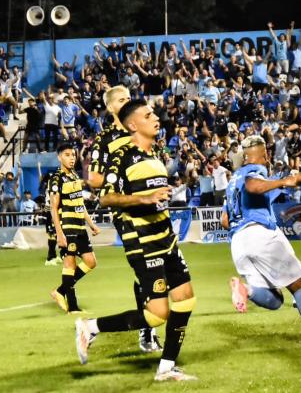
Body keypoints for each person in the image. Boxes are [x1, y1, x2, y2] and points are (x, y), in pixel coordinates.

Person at [75, 100, 197, 382]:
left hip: (165, 238)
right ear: (132, 125)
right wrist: (144, 198)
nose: (156, 118)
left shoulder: (155, 154)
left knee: (185, 298)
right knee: (157, 314)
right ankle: (90, 327)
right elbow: (106, 197)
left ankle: (166, 368)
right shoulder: (123, 157)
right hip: (143, 242)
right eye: (148, 115)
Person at [223, 135, 301, 348]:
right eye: (267, 153)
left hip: (238, 242)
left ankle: (245, 289)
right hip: (259, 235)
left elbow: (224, 220)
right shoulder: (254, 172)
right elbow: (253, 186)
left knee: (274, 301)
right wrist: (284, 180)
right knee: (299, 283)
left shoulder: (232, 182)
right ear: (263, 154)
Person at [85, 85, 161, 352]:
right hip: (126, 210)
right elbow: (93, 179)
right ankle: (147, 331)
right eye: (121, 99)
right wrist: (124, 175)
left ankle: (148, 327)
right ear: (109, 108)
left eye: (129, 97)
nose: (127, 101)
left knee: (153, 269)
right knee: (147, 268)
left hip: (151, 208)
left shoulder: (142, 133)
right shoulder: (105, 140)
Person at [48, 143, 100, 313]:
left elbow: (80, 203)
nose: (71, 158)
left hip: (80, 226)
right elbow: (53, 208)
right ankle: (73, 306)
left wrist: (91, 223)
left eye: (73, 155)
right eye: (67, 155)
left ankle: (60, 291)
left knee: (91, 262)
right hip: (67, 226)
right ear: (59, 157)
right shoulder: (56, 179)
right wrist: (59, 233)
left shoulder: (74, 175)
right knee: (69, 264)